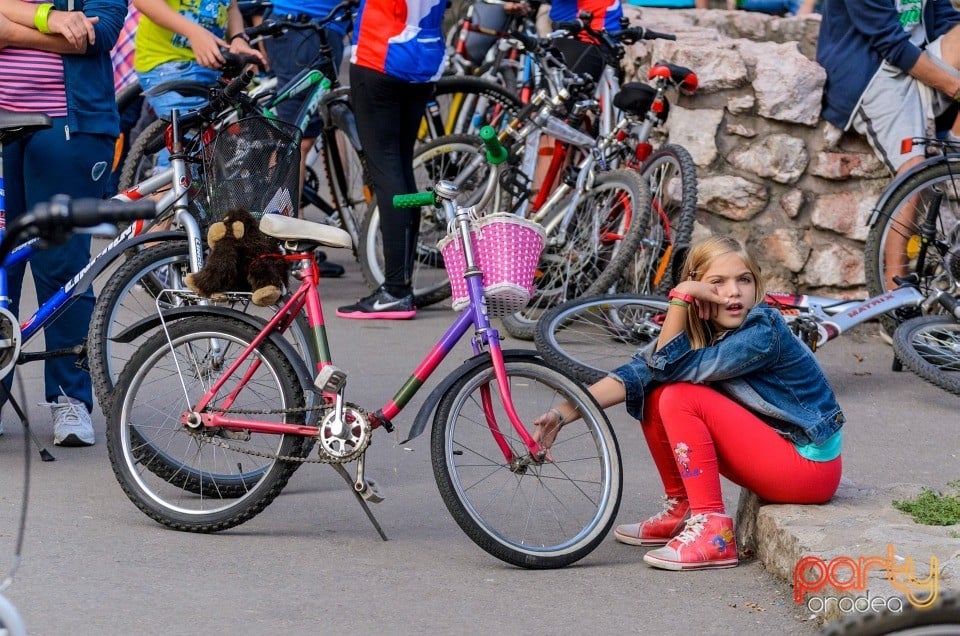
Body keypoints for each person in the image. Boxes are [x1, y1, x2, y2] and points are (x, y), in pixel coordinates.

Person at [534, 235, 844, 570]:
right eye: (718, 282)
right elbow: (644, 371)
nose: (733, 292)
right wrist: (563, 413)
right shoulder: (706, 329)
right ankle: (682, 507)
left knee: (678, 394)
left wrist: (680, 299)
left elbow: (669, 368)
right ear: (700, 287)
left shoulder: (762, 332)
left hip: (808, 470)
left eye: (744, 280)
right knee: (653, 392)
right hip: (777, 455)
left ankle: (711, 527)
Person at [0, 0, 126, 445]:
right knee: (1, 268)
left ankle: (70, 400)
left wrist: (9, 30)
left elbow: (98, 35)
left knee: (63, 266)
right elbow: (69, 36)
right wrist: (50, 21)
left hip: (68, 126)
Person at [817, 0, 960, 297]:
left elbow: (945, 17)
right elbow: (889, 42)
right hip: (875, 72)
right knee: (912, 169)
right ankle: (894, 295)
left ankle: (955, 153)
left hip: (920, 59)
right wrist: (954, 87)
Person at [336, 0, 446, 319]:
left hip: (381, 52)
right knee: (400, 166)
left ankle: (396, 288)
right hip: (425, 55)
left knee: (387, 172)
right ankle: (401, 284)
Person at [260, 0, 352, 279]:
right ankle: (284, 244)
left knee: (302, 134)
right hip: (305, 27)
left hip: (316, 26)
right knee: (294, 140)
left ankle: (289, 239)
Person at [132, 0, 264, 156]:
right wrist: (193, 32)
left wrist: (238, 37)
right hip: (169, 64)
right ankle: (168, 176)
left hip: (213, 66)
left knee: (212, 150)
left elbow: (231, 6)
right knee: (189, 151)